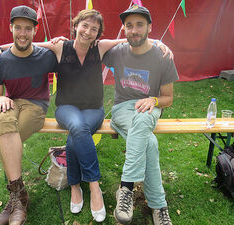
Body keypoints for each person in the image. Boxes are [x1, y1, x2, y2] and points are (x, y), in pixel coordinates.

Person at [0, 9, 172, 223]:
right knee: (77, 125)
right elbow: (30, 44)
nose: (88, 31)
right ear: (75, 26)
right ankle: (94, 187)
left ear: (98, 34)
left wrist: (159, 42)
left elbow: (128, 38)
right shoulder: (60, 47)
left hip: (94, 110)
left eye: (94, 29)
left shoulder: (100, 48)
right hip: (66, 108)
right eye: (84, 26)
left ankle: (75, 185)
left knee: (78, 130)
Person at [102, 4, 179, 225]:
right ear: (124, 29)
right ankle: (159, 207)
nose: (134, 30)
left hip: (150, 107)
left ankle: (126, 188)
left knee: (148, 134)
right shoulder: (117, 52)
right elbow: (86, 46)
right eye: (129, 26)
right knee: (150, 143)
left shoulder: (162, 56)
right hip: (122, 109)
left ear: (149, 28)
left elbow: (168, 99)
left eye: (139, 25)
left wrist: (153, 100)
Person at [0, 5, 57, 225]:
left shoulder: (45, 56)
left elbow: (72, 54)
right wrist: (2, 99)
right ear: (11, 28)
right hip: (13, 102)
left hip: (36, 106)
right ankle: (19, 196)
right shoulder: (0, 60)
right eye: (18, 28)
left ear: (35, 31)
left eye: (28, 28)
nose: (23, 33)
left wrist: (59, 43)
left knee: (1, 138)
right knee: (5, 118)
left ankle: (16, 198)